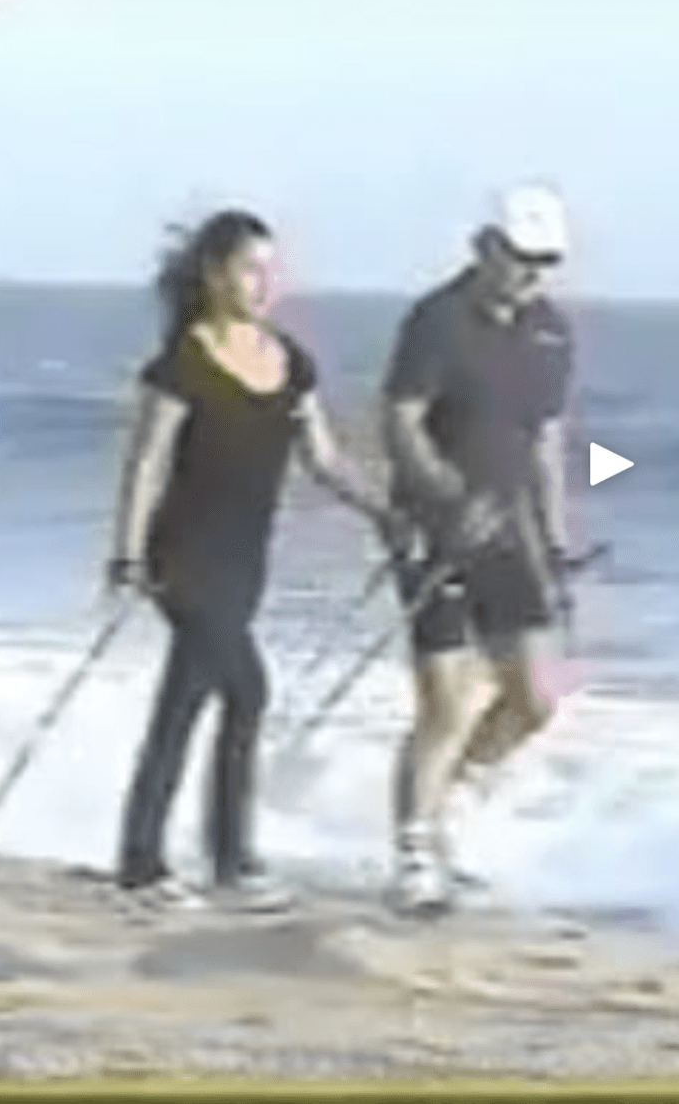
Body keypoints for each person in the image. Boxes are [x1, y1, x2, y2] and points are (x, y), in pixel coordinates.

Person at [107, 209, 396, 904]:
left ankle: (164, 859)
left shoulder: (289, 363)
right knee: (244, 689)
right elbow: (145, 463)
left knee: (192, 698)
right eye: (248, 268)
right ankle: (205, 862)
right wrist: (125, 553)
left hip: (244, 560)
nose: (263, 282)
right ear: (213, 274)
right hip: (181, 555)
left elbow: (323, 458)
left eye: (271, 269)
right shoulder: (182, 362)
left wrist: (384, 511)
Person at [381, 184, 578, 916]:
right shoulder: (436, 321)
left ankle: (450, 805)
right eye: (522, 257)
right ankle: (412, 848)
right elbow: (401, 420)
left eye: (545, 261)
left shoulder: (551, 331)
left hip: (513, 531)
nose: (533, 274)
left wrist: (555, 532)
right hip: (435, 528)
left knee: (532, 698)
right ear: (485, 247)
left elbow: (547, 437)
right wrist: (444, 496)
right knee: (445, 698)